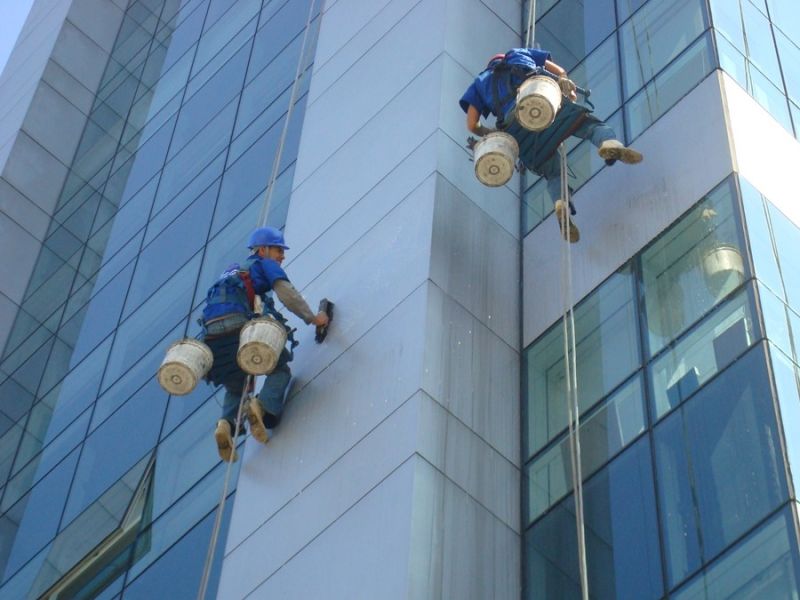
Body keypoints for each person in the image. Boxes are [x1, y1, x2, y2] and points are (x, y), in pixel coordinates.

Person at [459, 48, 643, 242]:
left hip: (515, 128)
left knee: (553, 171)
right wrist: (565, 84)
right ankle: (609, 143)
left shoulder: (479, 83)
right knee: (590, 126)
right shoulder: (517, 54)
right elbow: (559, 71)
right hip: (539, 100)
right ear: (502, 58)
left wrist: (491, 135)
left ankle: (561, 202)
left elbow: (472, 125)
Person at [200, 226, 329, 462]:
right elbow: (287, 294)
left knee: (237, 383)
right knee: (279, 367)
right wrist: (313, 318)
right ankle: (262, 406)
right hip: (237, 324)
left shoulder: (231, 272)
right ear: (263, 249)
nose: (282, 256)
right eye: (279, 250)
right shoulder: (262, 264)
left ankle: (226, 425)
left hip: (211, 336)